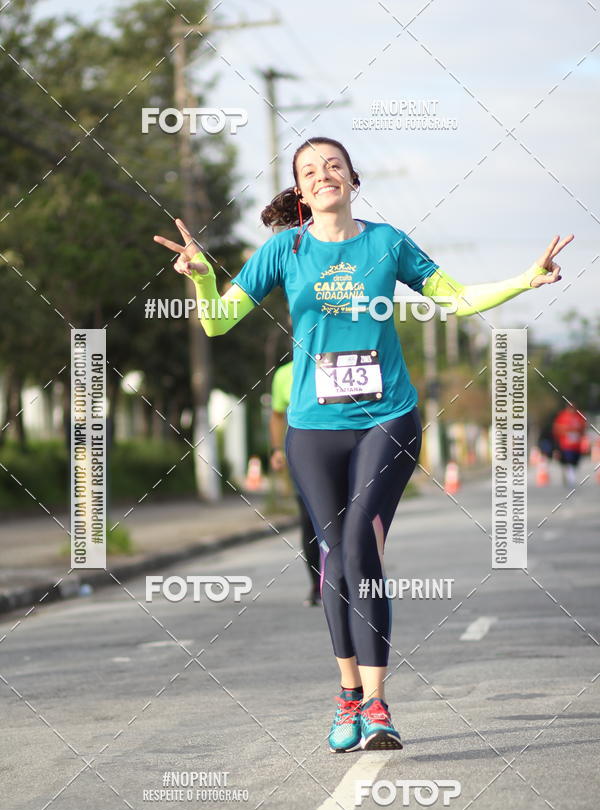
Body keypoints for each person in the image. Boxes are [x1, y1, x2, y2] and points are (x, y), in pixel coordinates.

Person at [154, 136, 573, 753]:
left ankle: (377, 705)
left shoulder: (387, 244)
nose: (323, 175)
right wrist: (200, 277)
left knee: (359, 548)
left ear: (353, 178)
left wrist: (525, 279)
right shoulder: (284, 249)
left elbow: (454, 299)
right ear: (301, 190)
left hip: (388, 419)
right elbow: (219, 320)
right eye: (309, 170)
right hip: (313, 429)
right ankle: (347, 693)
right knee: (333, 560)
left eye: (333, 166)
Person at [270, 359, 322, 607]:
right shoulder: (283, 374)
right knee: (309, 522)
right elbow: (277, 415)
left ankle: (354, 580)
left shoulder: (333, 361)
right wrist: (277, 449)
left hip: (342, 449)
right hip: (303, 455)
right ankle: (316, 584)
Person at [552, 404, 587, 486]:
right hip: (566, 445)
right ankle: (570, 478)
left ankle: (569, 474)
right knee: (568, 461)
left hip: (577, 445)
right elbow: (557, 429)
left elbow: (583, 428)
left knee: (574, 463)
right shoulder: (562, 416)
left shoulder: (579, 416)